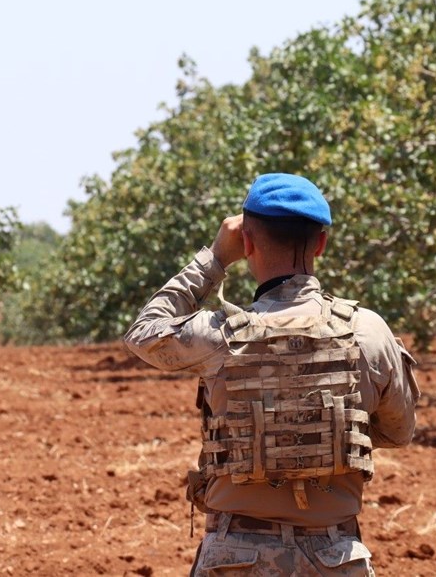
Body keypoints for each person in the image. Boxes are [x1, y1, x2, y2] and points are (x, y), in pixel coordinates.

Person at [124, 173, 419, 576]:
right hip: (336, 558)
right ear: (321, 243)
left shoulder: (220, 335)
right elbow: (398, 432)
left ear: (246, 244)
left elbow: (144, 334)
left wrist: (214, 259)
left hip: (235, 560)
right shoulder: (368, 331)